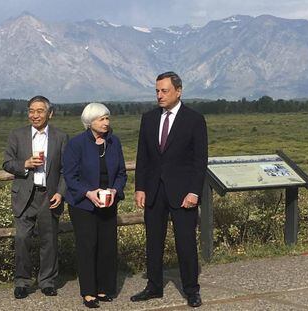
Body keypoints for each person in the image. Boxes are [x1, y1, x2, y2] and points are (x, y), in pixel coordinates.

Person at [130, 72, 208, 308]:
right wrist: (140, 187)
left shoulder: (194, 119)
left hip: (183, 193)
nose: (159, 95)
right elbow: (142, 155)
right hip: (153, 191)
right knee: (153, 241)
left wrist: (194, 192)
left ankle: (191, 290)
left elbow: (199, 160)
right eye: (157, 91)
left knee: (185, 243)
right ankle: (154, 286)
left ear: (179, 91)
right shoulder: (149, 118)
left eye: (164, 91)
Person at [3, 95, 68, 299]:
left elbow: (67, 169)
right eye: (31, 110)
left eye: (40, 111)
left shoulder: (61, 137)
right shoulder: (17, 135)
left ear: (50, 113)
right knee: (22, 239)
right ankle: (22, 282)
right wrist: (24, 164)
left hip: (49, 196)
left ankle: (47, 281)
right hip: (24, 197)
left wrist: (60, 192)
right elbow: (7, 163)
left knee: (49, 241)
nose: (35, 115)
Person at [63, 103, 127, 309]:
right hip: (83, 205)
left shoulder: (114, 142)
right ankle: (89, 292)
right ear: (90, 122)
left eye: (108, 118)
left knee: (107, 246)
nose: (106, 123)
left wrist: (115, 191)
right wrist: (89, 193)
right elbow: (70, 176)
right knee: (87, 246)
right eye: (102, 119)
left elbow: (121, 173)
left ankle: (104, 288)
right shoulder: (76, 144)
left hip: (108, 202)